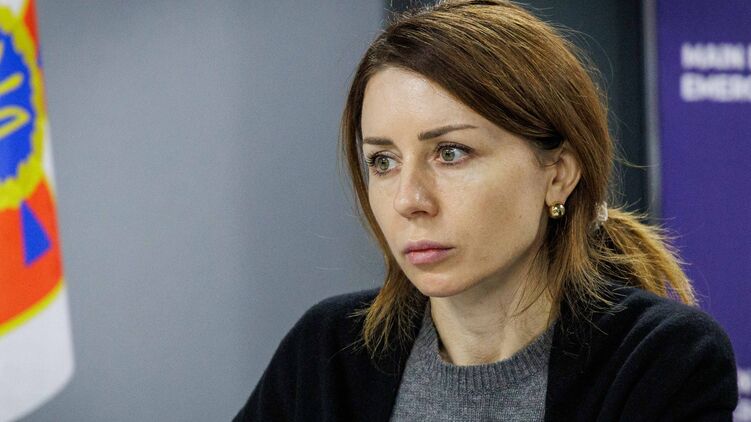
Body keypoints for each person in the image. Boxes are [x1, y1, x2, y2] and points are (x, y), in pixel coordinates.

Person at [234, 1, 738, 420]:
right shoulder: (326, 352)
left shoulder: (660, 360)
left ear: (558, 174)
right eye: (383, 161)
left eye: (450, 153)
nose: (408, 200)